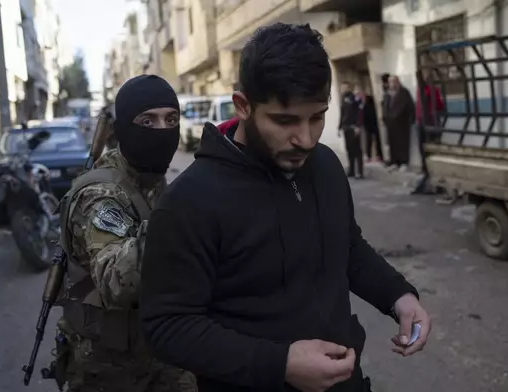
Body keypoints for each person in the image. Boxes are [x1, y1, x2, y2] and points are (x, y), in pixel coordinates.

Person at [140, 23, 431, 392]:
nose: (306, 138)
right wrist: (280, 364)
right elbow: (167, 326)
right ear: (243, 106)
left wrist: (398, 297)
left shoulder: (324, 165)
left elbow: (347, 246)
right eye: (285, 120)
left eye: (317, 117)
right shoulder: (189, 202)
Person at [53, 75, 196, 392]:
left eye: (171, 119)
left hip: (157, 347)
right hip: (109, 369)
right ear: (125, 130)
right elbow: (116, 280)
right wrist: (182, 217)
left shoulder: (151, 176)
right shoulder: (100, 195)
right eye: (148, 120)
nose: (162, 130)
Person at [412, 72, 445, 195]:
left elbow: (438, 105)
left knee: (429, 149)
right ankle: (428, 173)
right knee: (425, 150)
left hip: (429, 121)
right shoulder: (423, 90)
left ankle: (432, 175)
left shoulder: (429, 90)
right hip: (424, 121)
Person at [383, 76, 415, 171]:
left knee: (403, 144)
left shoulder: (404, 93)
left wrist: (411, 120)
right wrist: (385, 119)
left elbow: (410, 107)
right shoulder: (387, 94)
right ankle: (394, 162)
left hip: (402, 123)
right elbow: (385, 107)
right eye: (390, 82)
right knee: (393, 143)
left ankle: (404, 162)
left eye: (394, 81)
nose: (392, 84)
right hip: (390, 124)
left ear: (398, 82)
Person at [339, 81, 364, 179]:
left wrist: (358, 126)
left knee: (357, 150)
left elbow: (359, 112)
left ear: (349, 88)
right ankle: (352, 170)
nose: (343, 90)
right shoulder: (342, 98)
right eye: (342, 88)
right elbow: (342, 113)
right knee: (349, 150)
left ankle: (360, 172)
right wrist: (339, 126)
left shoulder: (355, 98)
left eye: (345, 88)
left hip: (354, 127)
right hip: (346, 127)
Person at [355, 87, 383, 163]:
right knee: (368, 140)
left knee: (378, 139)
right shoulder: (359, 102)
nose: (359, 95)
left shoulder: (370, 99)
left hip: (374, 122)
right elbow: (359, 113)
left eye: (359, 93)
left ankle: (379, 155)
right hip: (366, 123)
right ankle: (368, 156)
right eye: (357, 94)